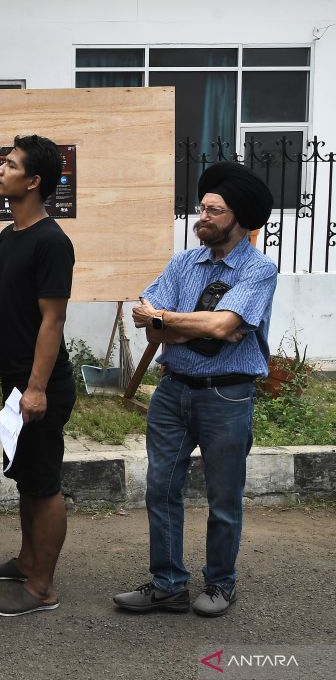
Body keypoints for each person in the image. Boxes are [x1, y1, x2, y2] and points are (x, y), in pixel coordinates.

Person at [114, 162, 276, 618]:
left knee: (224, 496)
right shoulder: (183, 262)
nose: (201, 216)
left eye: (214, 210)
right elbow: (148, 321)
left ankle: (221, 584)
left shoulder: (259, 270)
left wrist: (177, 322)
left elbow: (225, 324)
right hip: (172, 392)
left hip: (227, 395)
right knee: (160, 488)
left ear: (240, 219)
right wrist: (190, 327)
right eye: (201, 207)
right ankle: (168, 585)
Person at [0, 134, 75, 617]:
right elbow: (5, 308)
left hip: (43, 385)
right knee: (25, 478)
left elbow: (52, 321)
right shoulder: (8, 235)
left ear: (34, 181)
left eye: (10, 165)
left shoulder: (52, 242)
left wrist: (35, 388)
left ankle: (41, 588)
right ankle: (26, 561)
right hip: (16, 380)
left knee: (44, 483)